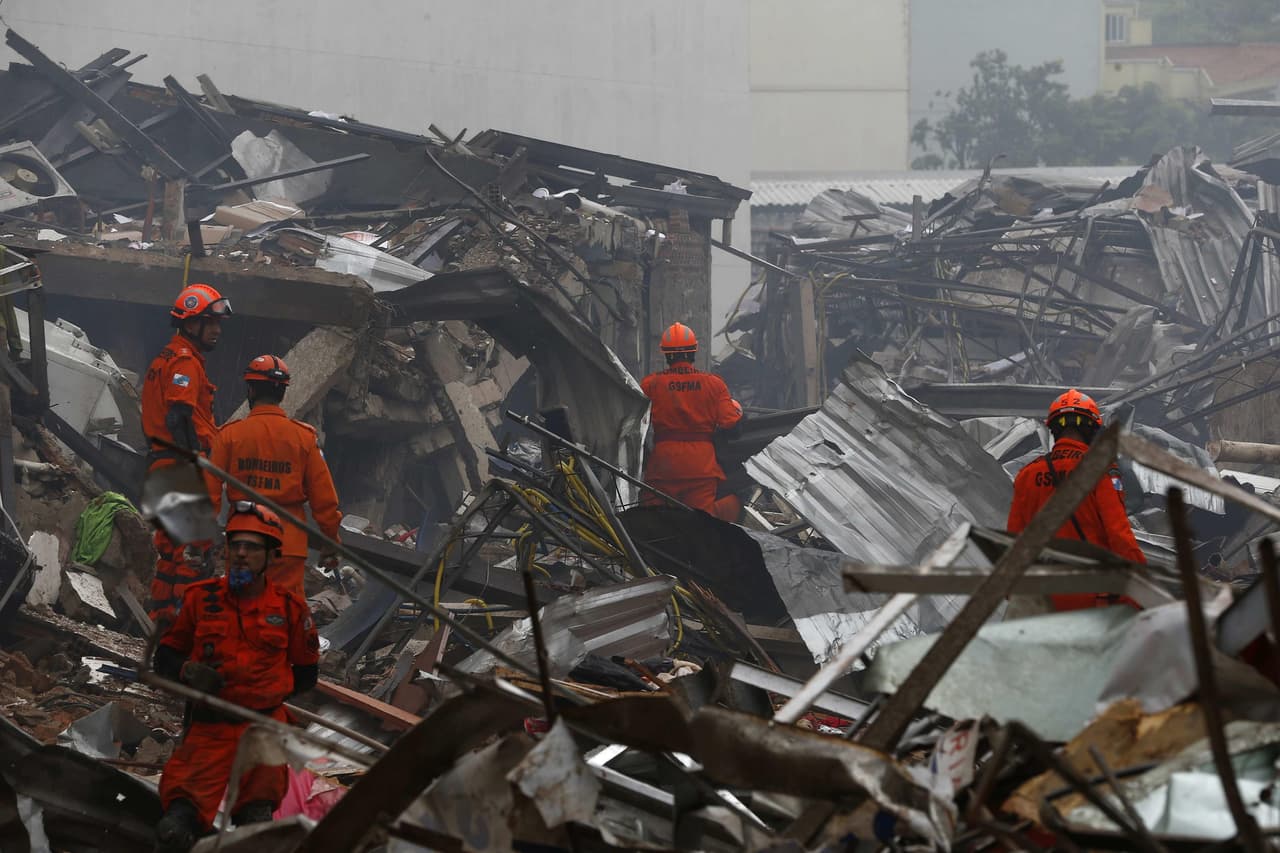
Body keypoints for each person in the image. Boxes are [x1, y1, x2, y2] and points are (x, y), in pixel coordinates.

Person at [152, 503, 319, 852]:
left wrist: (265, 696)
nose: (241, 554)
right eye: (235, 545)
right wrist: (189, 672)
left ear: (272, 556)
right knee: (175, 829)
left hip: (262, 731)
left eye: (252, 547)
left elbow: (306, 675)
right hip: (210, 728)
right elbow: (165, 658)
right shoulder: (200, 599)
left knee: (255, 832)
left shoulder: (291, 609)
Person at [206, 354, 342, 598]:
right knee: (283, 617)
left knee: (241, 612)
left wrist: (199, 544)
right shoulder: (304, 438)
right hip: (287, 545)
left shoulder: (229, 436)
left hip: (244, 544)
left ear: (250, 390)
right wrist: (330, 543)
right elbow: (325, 500)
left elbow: (210, 494)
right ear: (283, 394)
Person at [1007, 388, 1146, 611]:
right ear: (1092, 430)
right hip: (1089, 597)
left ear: (1053, 429)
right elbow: (1120, 537)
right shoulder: (1100, 471)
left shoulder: (1027, 475)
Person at [142, 283, 232, 622]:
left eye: (218, 324)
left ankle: (161, 625)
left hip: (163, 463)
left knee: (170, 552)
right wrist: (193, 459)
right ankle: (182, 625)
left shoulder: (165, 358)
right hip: (182, 464)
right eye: (211, 323)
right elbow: (178, 414)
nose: (217, 331)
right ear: (191, 323)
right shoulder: (184, 363)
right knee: (192, 553)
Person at [640, 322, 744, 521]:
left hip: (663, 465)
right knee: (700, 525)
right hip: (701, 466)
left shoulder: (650, 384)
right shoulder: (714, 384)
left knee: (655, 523)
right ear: (693, 352)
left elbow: (634, 425)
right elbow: (731, 425)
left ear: (667, 354)